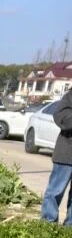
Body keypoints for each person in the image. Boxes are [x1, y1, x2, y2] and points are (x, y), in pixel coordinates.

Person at [41, 88, 72, 225]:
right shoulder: (70, 96)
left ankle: (69, 229)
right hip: (67, 153)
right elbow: (60, 116)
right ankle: (48, 225)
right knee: (55, 191)